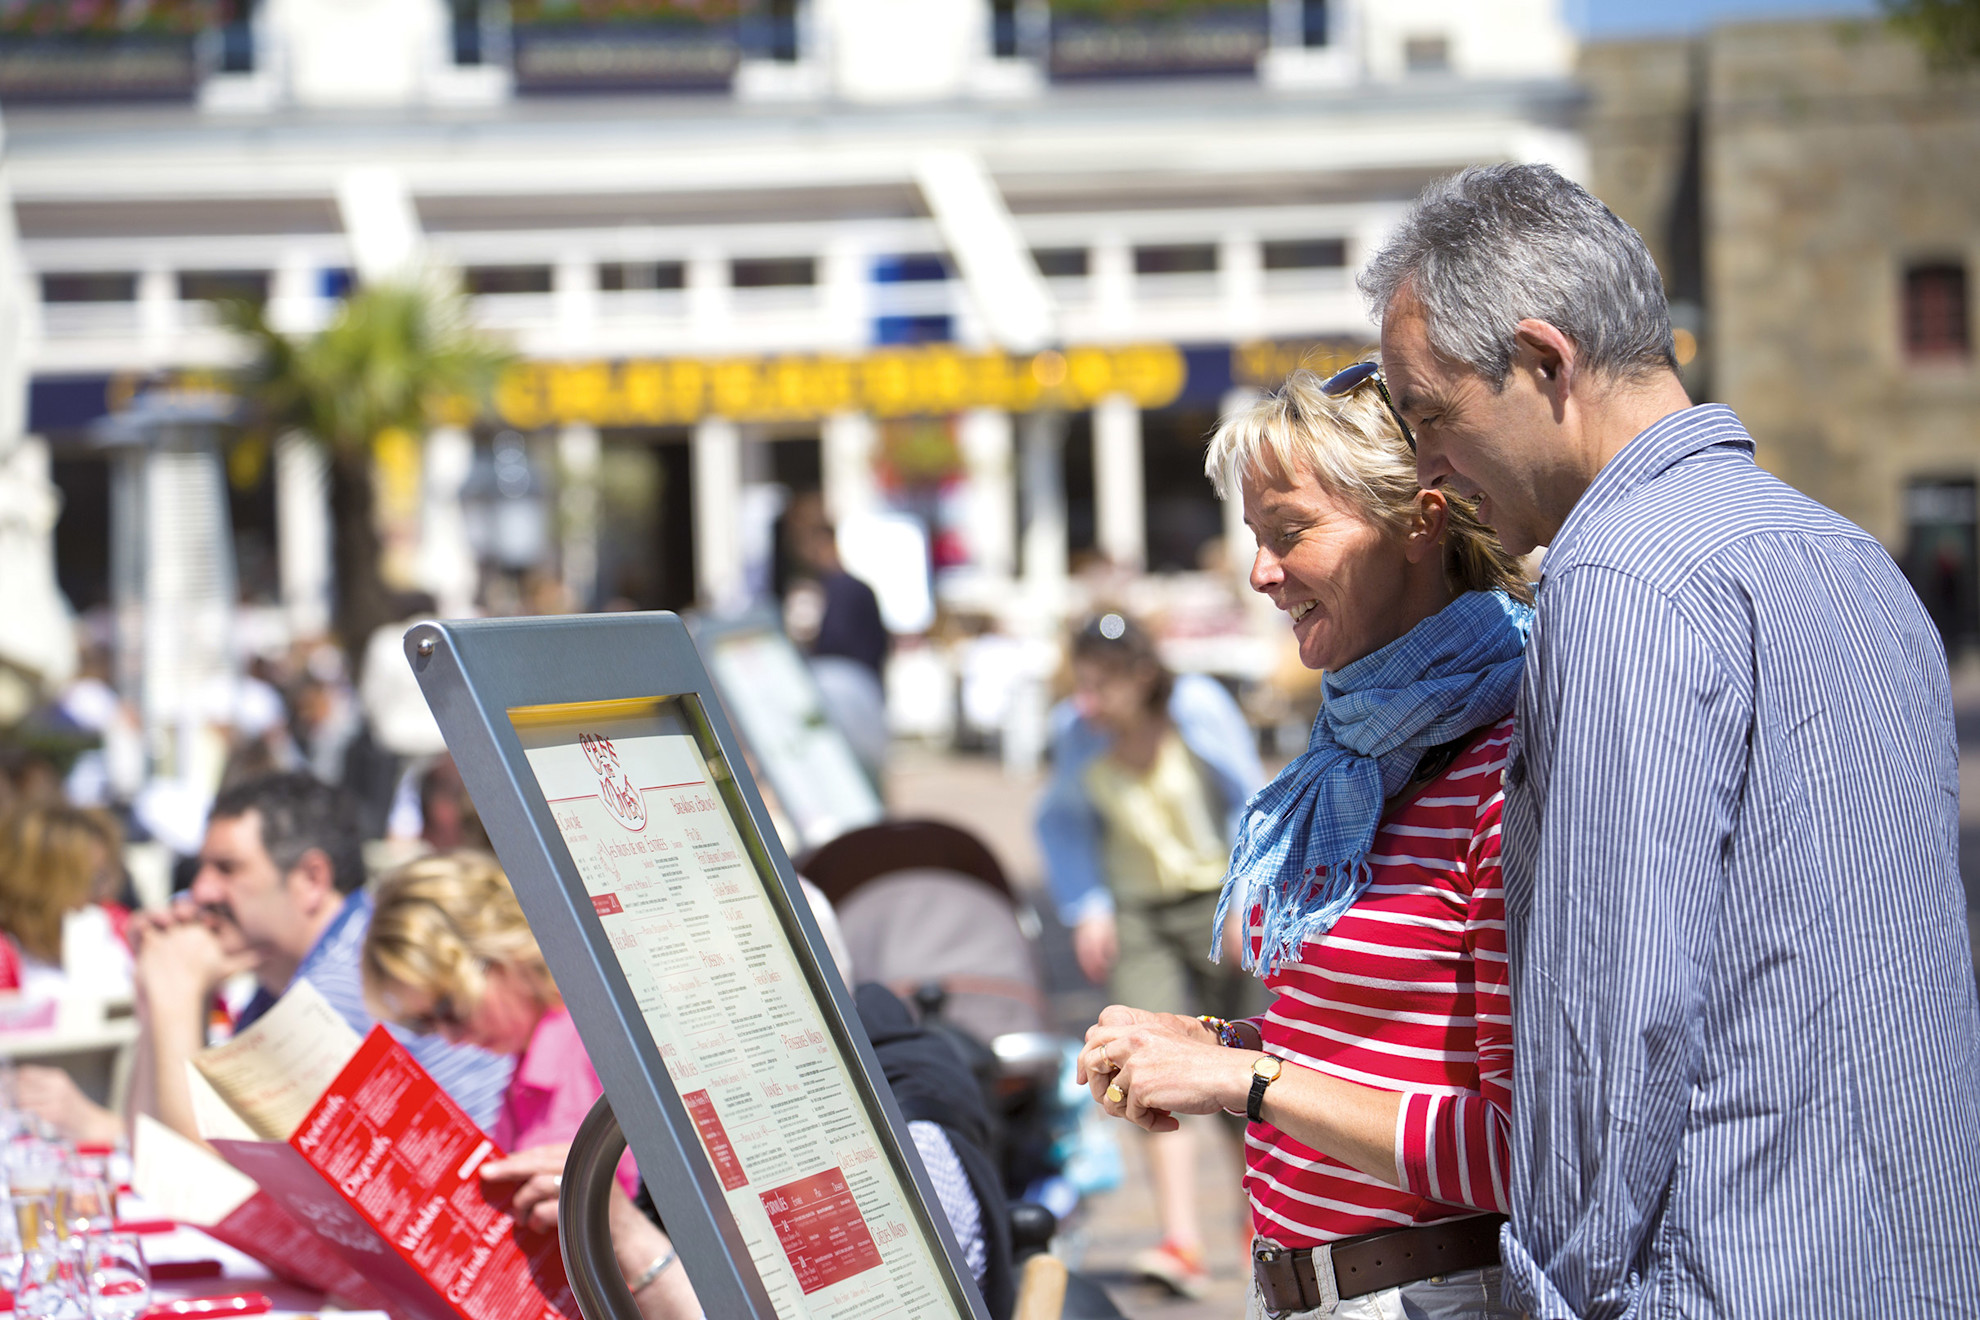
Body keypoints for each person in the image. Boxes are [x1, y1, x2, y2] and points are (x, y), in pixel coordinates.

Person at [1362, 162, 1980, 1316]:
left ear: (1546, 363)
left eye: (1430, 415)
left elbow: (1612, 1014)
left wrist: (1559, 1291)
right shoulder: (1848, 556)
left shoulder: (1621, 578)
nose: (1425, 469)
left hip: (1725, 1270)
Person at [1076, 370, 1532, 1320]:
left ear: (1421, 522)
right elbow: (1369, 1059)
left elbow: (1515, 1149)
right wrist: (1215, 1045)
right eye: (1255, 539)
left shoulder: (1512, 769)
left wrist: (1244, 1077)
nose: (1260, 573)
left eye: (1290, 532)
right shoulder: (1359, 756)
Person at [1035, 610, 1263, 1296]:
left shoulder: (1196, 707)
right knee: (1147, 1061)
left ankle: (1259, 1223)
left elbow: (1250, 797)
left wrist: (1245, 895)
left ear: (1142, 676)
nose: (1089, 699)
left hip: (1216, 900)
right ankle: (1182, 1241)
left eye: (1103, 683)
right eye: (1083, 682)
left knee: (1236, 1058)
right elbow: (1062, 824)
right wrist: (1089, 906)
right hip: (1136, 909)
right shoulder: (1074, 732)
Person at [129, 773, 511, 1143]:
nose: (201, 891)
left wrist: (176, 994)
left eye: (227, 868)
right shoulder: (295, 979)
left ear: (312, 879)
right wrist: (155, 994)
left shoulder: (351, 982)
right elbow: (155, 1150)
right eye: (202, 868)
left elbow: (203, 1180)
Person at [361, 849, 636, 1191]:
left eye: (450, 1007)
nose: (450, 1038)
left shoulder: (601, 1040)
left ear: (497, 950)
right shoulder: (521, 1076)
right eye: (425, 1024)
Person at [0, 803, 130, 999]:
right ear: (37, 881)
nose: (100, 893)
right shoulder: (7, 954)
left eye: (102, 877)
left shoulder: (119, 925)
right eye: (88, 881)